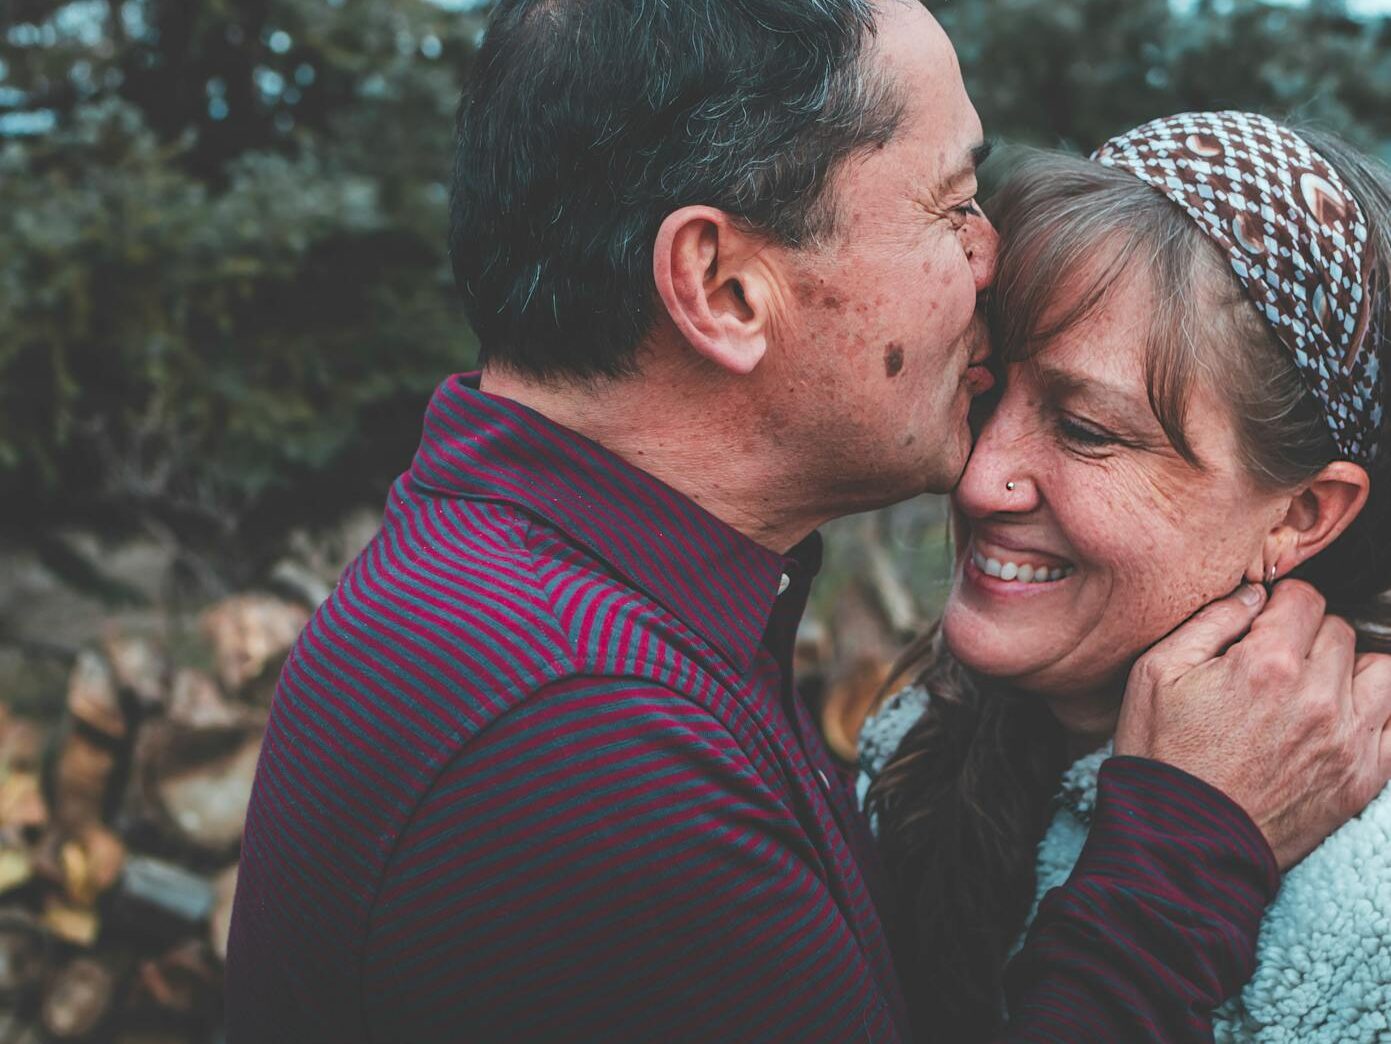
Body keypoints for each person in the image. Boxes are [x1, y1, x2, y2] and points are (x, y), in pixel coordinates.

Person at [225, 0, 1391, 1037]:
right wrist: (1183, 856)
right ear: (726, 289)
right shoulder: (585, 741)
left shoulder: (558, 611)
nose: (989, 258)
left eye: (1084, 428)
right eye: (949, 205)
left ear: (1304, 514)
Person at [863, 110, 1391, 1042]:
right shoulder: (908, 744)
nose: (980, 479)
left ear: (1300, 515)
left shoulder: (1363, 912)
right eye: (982, 392)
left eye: (1087, 431)